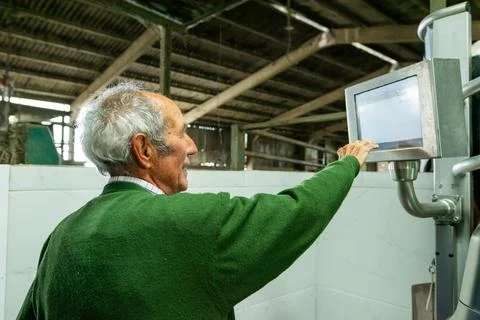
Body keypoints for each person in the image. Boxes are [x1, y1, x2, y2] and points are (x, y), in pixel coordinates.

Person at [17, 82, 378, 320]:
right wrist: (348, 163)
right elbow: (298, 210)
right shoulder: (190, 221)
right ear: (144, 149)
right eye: (182, 131)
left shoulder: (62, 235)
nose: (192, 146)